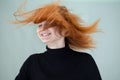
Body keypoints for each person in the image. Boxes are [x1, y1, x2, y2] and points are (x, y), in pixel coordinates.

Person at [14, 2, 102, 80]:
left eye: (50, 24)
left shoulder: (85, 61)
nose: (42, 29)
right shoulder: (32, 62)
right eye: (40, 25)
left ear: (66, 30)